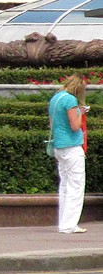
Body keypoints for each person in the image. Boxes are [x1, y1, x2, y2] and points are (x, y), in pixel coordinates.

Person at [48, 74, 88, 234]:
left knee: (64, 185)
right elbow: (75, 126)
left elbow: (53, 122)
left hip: (59, 145)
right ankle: (70, 224)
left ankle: (63, 222)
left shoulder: (56, 98)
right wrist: (82, 113)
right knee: (76, 185)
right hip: (72, 146)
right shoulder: (70, 100)